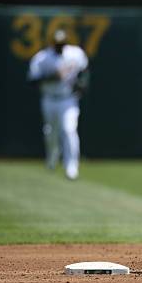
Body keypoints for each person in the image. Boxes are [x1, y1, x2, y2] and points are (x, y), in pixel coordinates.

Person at [27, 29, 89, 180]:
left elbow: (84, 71)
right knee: (51, 133)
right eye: (57, 44)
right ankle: (53, 156)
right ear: (52, 43)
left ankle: (71, 166)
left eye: (62, 43)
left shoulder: (75, 53)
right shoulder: (42, 58)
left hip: (68, 99)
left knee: (69, 130)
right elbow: (32, 80)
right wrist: (52, 76)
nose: (60, 47)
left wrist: (82, 84)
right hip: (49, 99)